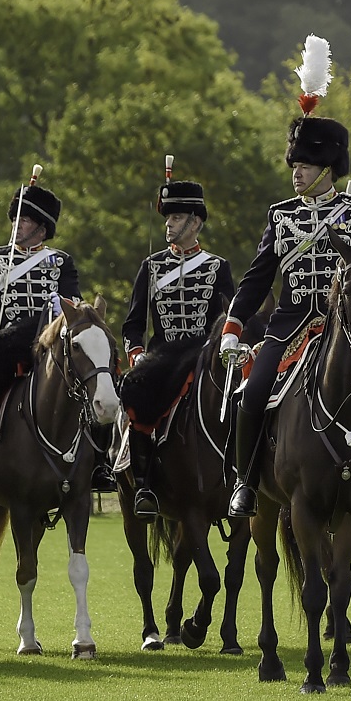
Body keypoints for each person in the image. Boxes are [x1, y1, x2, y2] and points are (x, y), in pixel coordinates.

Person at [221, 109, 351, 519]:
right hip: (289, 326)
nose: (296, 173)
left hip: (344, 327)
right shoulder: (281, 216)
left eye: (305, 166)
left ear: (327, 168)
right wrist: (233, 328)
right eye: (295, 165)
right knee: (252, 394)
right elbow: (257, 280)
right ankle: (245, 483)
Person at [0, 181, 81, 504]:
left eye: (24, 219)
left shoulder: (61, 262)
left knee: (93, 385)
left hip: (49, 347)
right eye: (15, 218)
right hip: (5, 347)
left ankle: (97, 466)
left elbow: (72, 308)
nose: (17, 225)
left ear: (41, 227)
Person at [121, 169, 234, 517]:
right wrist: (136, 355)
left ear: (196, 222)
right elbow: (133, 324)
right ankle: (143, 486)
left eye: (177, 217)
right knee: (136, 395)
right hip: (162, 359)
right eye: (168, 217)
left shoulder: (217, 267)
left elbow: (229, 317)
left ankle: (240, 480)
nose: (169, 224)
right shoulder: (151, 267)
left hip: (202, 356)